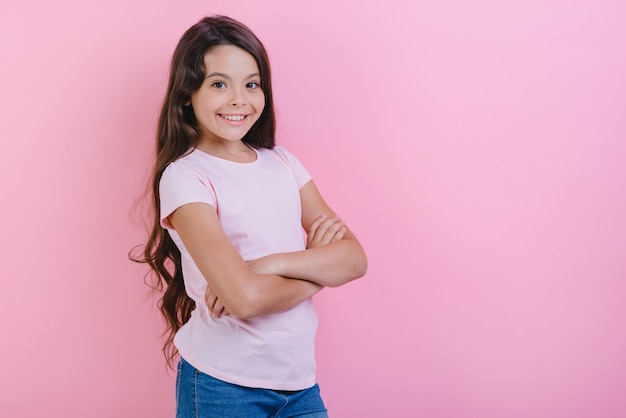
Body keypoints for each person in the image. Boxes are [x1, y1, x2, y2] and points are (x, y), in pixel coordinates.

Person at [133, 15, 367, 417]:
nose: (239, 99)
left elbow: (355, 260)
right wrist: (320, 271)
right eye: (219, 84)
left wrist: (265, 265)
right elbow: (243, 299)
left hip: (299, 385)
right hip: (223, 384)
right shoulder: (186, 176)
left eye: (252, 83)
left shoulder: (284, 163)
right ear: (187, 93)